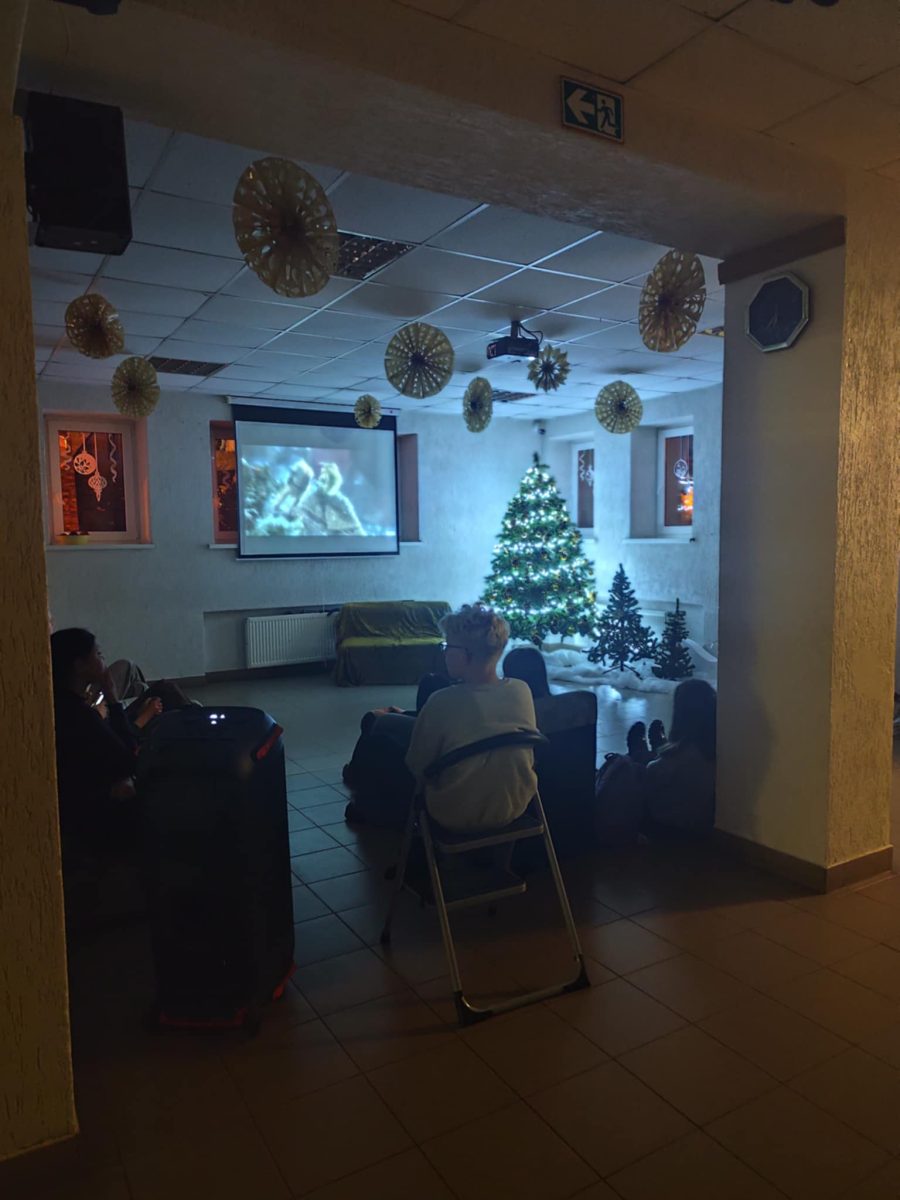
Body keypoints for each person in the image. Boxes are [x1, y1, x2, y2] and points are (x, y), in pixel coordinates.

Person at [405, 604, 540, 831]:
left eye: (447, 646)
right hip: (515, 804)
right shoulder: (521, 690)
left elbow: (417, 764)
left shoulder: (441, 701)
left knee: (384, 742)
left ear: (464, 654)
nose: (445, 653)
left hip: (454, 810)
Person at [50, 628, 161, 846]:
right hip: (99, 818)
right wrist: (112, 698)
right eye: (98, 654)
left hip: (83, 807)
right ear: (80, 665)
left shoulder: (61, 703)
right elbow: (128, 761)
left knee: (146, 688)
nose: (103, 659)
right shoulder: (80, 716)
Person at [594, 678, 717, 844]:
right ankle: (657, 747)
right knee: (657, 761)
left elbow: (652, 776)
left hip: (666, 825)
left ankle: (641, 750)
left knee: (636, 766)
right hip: (703, 824)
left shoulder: (682, 757)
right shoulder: (718, 750)